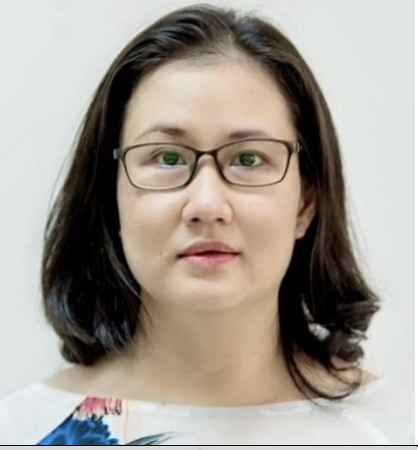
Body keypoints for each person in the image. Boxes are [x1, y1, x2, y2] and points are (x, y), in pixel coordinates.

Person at [0, 3, 413, 445]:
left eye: (248, 159)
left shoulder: (397, 430)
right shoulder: (23, 430)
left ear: (305, 203)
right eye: (167, 158)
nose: (208, 204)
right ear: (110, 197)